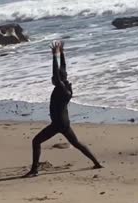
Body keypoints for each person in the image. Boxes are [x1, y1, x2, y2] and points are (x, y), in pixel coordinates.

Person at [23, 41, 103, 177]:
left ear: (57, 79)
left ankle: (34, 170)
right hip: (65, 123)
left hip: (57, 124)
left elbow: (56, 72)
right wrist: (62, 53)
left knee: (36, 141)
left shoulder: (60, 88)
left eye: (53, 79)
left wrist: (54, 56)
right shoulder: (66, 88)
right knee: (76, 143)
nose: (52, 80)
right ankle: (96, 163)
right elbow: (63, 69)